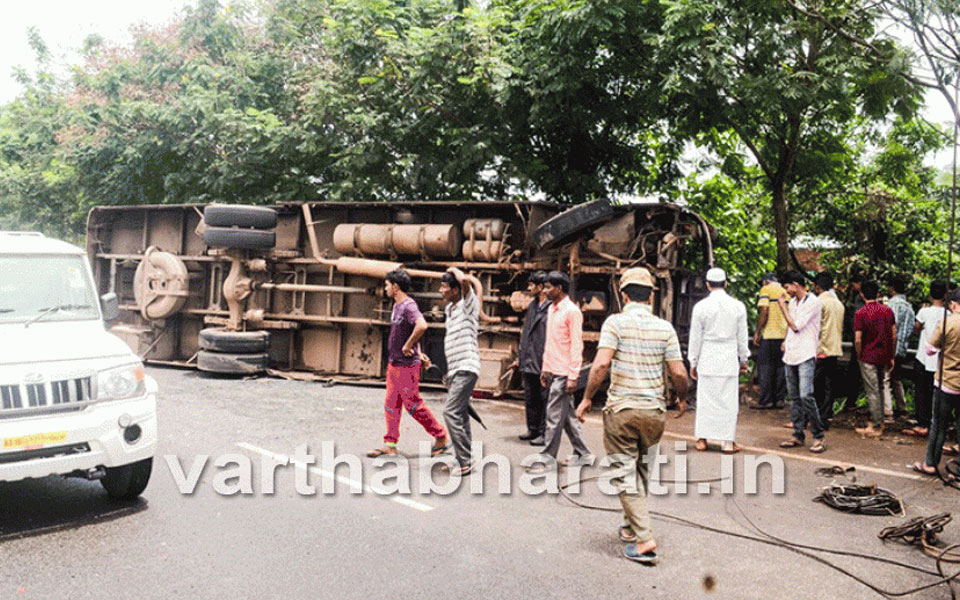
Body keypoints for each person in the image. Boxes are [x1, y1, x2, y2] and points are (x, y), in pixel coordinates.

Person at [576, 267, 688, 565]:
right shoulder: (665, 328)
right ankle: (629, 527)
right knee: (640, 471)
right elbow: (678, 371)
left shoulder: (615, 323)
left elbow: (600, 366)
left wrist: (587, 398)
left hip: (622, 411)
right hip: (654, 413)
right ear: (651, 295)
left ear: (623, 295)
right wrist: (682, 397)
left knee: (625, 474)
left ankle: (643, 539)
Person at [367, 269, 448, 458]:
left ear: (395, 287)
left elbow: (422, 325)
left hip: (406, 366)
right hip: (394, 364)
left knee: (412, 404)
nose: (385, 288)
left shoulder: (408, 306)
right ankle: (390, 444)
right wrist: (417, 349)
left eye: (387, 285)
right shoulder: (397, 306)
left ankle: (441, 436)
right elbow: (410, 330)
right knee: (391, 404)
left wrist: (409, 345)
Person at [532, 271, 592, 471]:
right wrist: (545, 369)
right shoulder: (552, 310)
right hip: (554, 370)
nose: (546, 291)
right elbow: (551, 342)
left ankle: (547, 458)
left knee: (554, 416)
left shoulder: (572, 312)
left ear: (560, 288)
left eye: (549, 287)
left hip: (565, 373)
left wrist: (573, 376)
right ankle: (584, 454)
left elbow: (576, 345)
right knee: (567, 417)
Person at [688, 268, 749, 454]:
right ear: (725, 283)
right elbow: (742, 336)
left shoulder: (701, 307)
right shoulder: (738, 306)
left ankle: (702, 439)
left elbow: (695, 337)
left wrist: (693, 361)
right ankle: (727, 442)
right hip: (728, 357)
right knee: (728, 401)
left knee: (706, 399)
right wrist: (743, 359)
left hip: (708, 356)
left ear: (707, 284)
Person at [438, 267, 482, 475]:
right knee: (461, 414)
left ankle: (465, 461)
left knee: (451, 412)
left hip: (467, 366)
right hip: (456, 369)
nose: (441, 290)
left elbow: (465, 281)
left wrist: (454, 270)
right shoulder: (450, 310)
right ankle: (462, 457)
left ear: (455, 290)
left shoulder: (468, 306)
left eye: (444, 287)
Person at [913, 289, 960, 479]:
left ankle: (930, 463)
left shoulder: (948, 322)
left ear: (955, 304)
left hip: (946, 382)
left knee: (938, 425)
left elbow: (930, 349)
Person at [778, 271, 826, 453]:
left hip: (805, 353)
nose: (786, 291)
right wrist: (785, 340)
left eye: (787, 287)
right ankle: (798, 434)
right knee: (794, 397)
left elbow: (796, 326)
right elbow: (790, 328)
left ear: (796, 285)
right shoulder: (794, 303)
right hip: (791, 353)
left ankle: (818, 435)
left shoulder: (813, 302)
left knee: (806, 395)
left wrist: (782, 306)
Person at [853, 280, 896, 439]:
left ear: (862, 294)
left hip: (868, 355)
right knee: (880, 387)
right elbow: (893, 334)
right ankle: (880, 420)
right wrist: (891, 355)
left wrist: (860, 353)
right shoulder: (887, 311)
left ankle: (877, 424)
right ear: (878, 294)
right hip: (884, 354)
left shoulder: (861, 313)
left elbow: (858, 339)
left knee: (872, 390)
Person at [906, 282, 949, 437]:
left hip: (923, 356)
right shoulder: (948, 314)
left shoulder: (924, 312)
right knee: (936, 393)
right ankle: (936, 421)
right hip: (940, 359)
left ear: (931, 295)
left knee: (921, 391)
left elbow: (916, 328)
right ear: (945, 295)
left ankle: (922, 422)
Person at [513, 271, 551, 446]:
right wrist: (520, 357)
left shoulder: (552, 308)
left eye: (531, 285)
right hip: (529, 358)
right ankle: (533, 429)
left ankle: (544, 433)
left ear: (540, 287)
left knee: (545, 399)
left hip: (544, 359)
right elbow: (526, 333)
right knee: (531, 397)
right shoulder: (533, 306)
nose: (529, 288)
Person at [813, 272, 845, 430]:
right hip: (835, 348)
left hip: (821, 348)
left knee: (817, 385)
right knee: (828, 385)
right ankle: (826, 416)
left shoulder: (819, 302)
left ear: (817, 287)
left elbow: (815, 327)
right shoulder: (838, 303)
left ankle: (817, 417)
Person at [753, 273, 788, 409]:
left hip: (769, 334)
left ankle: (766, 400)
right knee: (780, 368)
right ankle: (779, 399)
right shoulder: (786, 292)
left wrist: (758, 331)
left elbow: (765, 311)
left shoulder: (766, 290)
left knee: (765, 368)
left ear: (765, 282)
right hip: (784, 335)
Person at [886, 276, 915, 419]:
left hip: (891, 346)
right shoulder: (909, 307)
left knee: (885, 378)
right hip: (903, 347)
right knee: (896, 377)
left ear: (892, 289)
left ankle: (887, 410)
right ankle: (901, 407)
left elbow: (892, 326)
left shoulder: (893, 304)